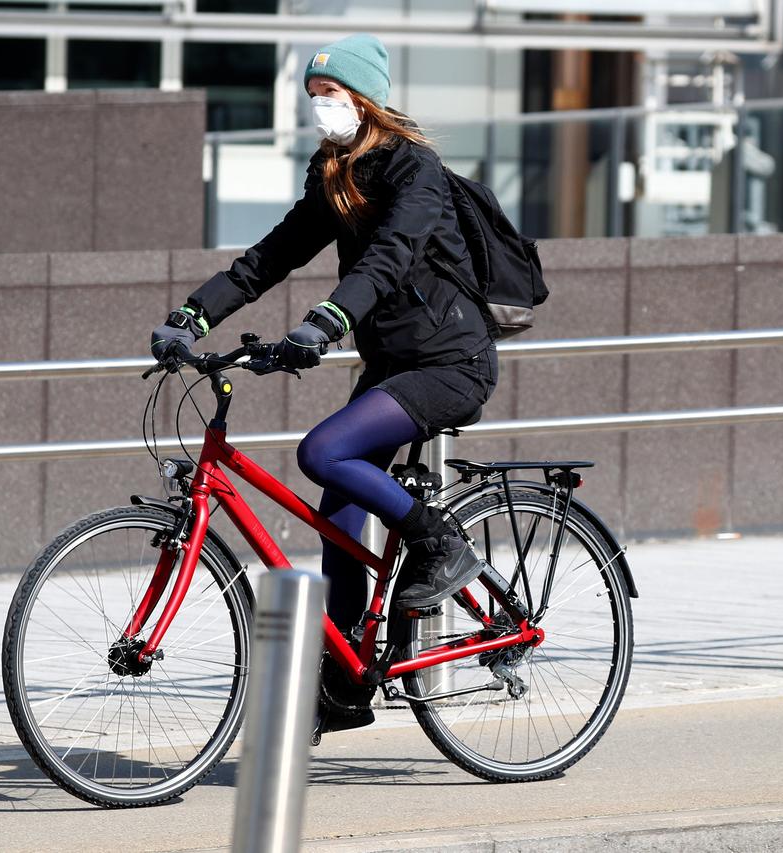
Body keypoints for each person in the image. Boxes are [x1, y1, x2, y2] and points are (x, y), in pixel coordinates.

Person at [150, 33, 499, 733]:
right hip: (392, 367)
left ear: (364, 98)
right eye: (313, 98)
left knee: (322, 452)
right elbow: (269, 256)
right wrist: (192, 315)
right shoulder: (336, 174)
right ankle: (343, 683)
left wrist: (327, 320)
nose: (321, 110)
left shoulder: (414, 171)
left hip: (450, 364)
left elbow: (391, 258)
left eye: (330, 96)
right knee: (338, 513)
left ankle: (439, 543)